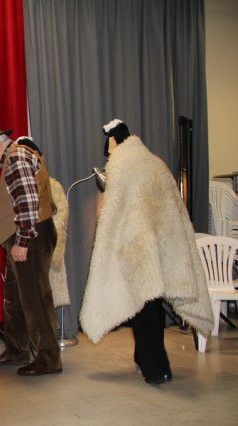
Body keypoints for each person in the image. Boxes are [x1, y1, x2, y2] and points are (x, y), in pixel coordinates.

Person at [80, 119, 213, 385]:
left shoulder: (121, 164)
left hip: (137, 247)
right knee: (153, 303)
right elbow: (175, 208)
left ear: (113, 140)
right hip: (161, 245)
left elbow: (115, 209)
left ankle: (157, 368)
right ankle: (144, 358)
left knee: (143, 307)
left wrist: (108, 246)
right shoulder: (155, 162)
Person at [0, 124, 62, 376]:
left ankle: (48, 358)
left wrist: (22, 242)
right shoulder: (16, 156)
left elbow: (28, 203)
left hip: (31, 237)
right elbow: (18, 206)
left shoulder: (16, 157)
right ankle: (17, 350)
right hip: (27, 234)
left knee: (34, 299)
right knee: (15, 298)